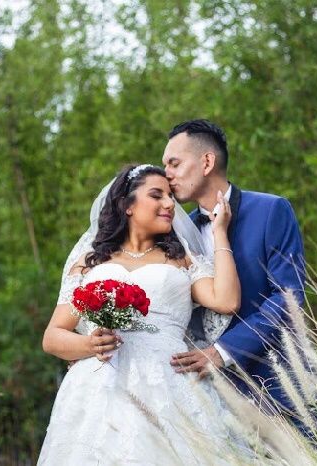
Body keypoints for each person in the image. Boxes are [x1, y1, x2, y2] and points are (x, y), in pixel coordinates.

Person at [38, 164, 243, 465]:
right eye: (157, 195)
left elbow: (226, 301)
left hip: (170, 384)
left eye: (171, 196)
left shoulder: (181, 259)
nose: (170, 203)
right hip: (99, 388)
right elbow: (52, 337)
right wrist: (90, 345)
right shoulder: (91, 262)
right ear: (127, 205)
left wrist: (220, 233)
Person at [163, 120, 307, 418]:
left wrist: (224, 351)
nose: (167, 175)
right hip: (208, 396)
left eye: (174, 163)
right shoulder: (176, 234)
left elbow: (289, 296)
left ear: (207, 162)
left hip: (277, 382)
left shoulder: (271, 210)